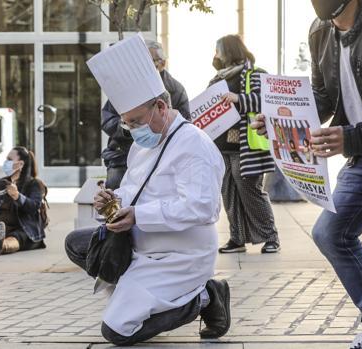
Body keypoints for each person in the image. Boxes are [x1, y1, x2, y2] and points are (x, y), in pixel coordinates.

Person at [66, 35, 230, 346]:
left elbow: (203, 208)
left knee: (117, 331)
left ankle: (206, 296)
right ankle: (133, 287)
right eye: (127, 124)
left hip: (179, 256)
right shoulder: (142, 146)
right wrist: (112, 201)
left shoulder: (194, 145)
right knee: (77, 243)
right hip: (142, 246)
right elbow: (131, 190)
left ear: (161, 106)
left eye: (137, 121)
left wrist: (138, 215)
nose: (132, 130)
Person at [252, 1, 362, 347]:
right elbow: (322, 97)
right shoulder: (321, 31)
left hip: (357, 143)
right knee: (330, 233)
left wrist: (351, 137)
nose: (334, 23)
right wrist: (278, 119)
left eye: (339, 15)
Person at [209, 35, 280, 254]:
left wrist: (238, 98)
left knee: (250, 191)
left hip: (246, 146)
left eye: (218, 50)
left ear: (228, 50)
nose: (216, 54)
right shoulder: (217, 78)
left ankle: (271, 237)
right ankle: (237, 238)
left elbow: (267, 100)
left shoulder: (257, 74)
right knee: (228, 193)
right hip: (222, 146)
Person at [101, 39, 191, 190]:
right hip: (122, 155)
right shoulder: (125, 87)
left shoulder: (176, 89)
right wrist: (128, 128)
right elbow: (107, 119)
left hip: (162, 156)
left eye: (149, 62)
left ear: (162, 63)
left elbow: (184, 122)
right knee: (116, 196)